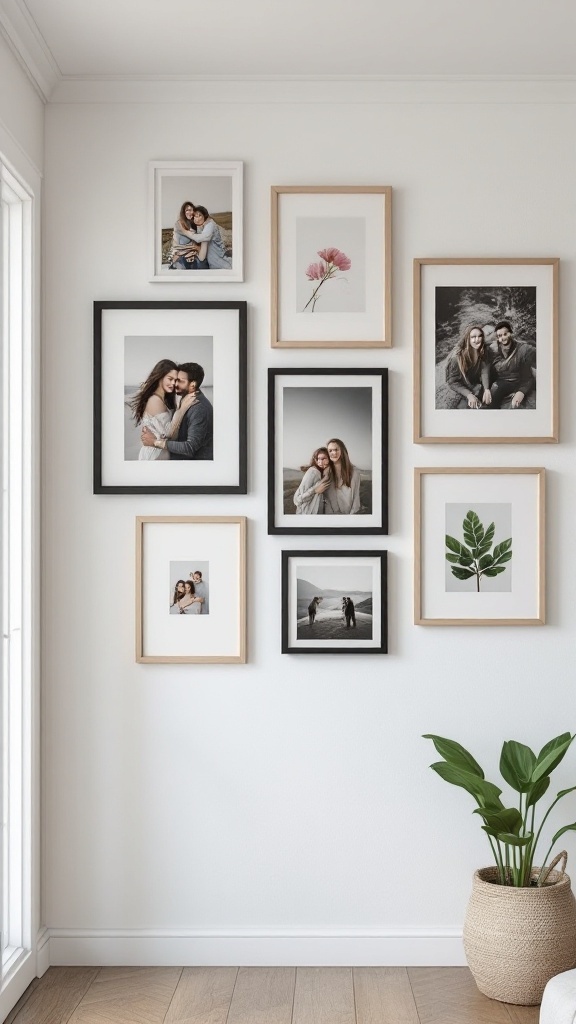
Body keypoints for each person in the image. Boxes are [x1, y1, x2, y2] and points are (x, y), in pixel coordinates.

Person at [141, 362, 213, 460]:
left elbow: (189, 447)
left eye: (180, 381)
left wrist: (155, 442)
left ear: (193, 384)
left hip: (192, 466)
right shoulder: (185, 399)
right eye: (174, 379)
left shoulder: (198, 408)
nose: (175, 384)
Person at [127, 359, 178, 460]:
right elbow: (169, 435)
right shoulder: (155, 400)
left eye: (175, 380)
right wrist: (182, 410)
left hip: (159, 454)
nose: (173, 383)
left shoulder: (163, 400)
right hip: (154, 456)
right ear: (160, 377)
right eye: (170, 379)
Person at [489, 320, 536, 408]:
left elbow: (527, 376)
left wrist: (521, 392)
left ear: (511, 333)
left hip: (516, 381)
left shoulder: (523, 349)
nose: (503, 338)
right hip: (501, 381)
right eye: (500, 336)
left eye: (505, 334)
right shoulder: (494, 349)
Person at [445, 325, 492, 409]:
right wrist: (469, 395)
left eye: (480, 336)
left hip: (475, 383)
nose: (477, 340)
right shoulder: (457, 358)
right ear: (468, 339)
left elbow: (484, 370)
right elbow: (452, 382)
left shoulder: (484, 350)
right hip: (462, 386)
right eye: (473, 337)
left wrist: (486, 389)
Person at [180, 205, 232, 270]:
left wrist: (184, 232)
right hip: (213, 265)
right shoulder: (200, 228)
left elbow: (201, 256)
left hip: (223, 265)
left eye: (200, 215)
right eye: (195, 216)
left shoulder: (210, 225)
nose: (197, 219)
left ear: (204, 216)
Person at [323, 438, 361, 515]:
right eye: (330, 450)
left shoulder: (354, 472)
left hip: (348, 517)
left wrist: (350, 519)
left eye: (336, 449)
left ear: (342, 451)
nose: (333, 453)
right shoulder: (326, 472)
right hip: (330, 517)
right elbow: (326, 498)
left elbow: (356, 500)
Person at [169, 202, 207, 269]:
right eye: (187, 210)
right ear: (183, 212)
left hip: (193, 254)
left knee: (203, 265)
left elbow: (199, 243)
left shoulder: (195, 224)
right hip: (180, 254)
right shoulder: (179, 224)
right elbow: (191, 237)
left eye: (191, 210)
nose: (190, 212)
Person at [293, 447, 331, 514]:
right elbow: (297, 500)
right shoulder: (313, 472)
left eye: (324, 458)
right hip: (305, 515)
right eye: (318, 459)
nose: (320, 462)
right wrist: (315, 490)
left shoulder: (324, 473)